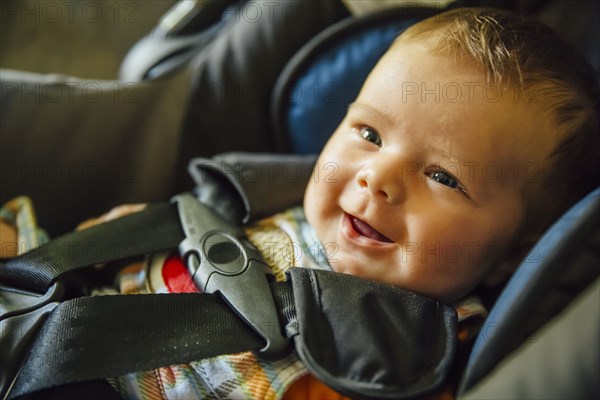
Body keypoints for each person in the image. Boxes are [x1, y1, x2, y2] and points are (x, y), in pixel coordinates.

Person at [1, 7, 598, 400]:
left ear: (509, 258)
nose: (377, 179)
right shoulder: (262, 201)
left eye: (444, 177)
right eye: (369, 134)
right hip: (50, 307)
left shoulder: (430, 347)